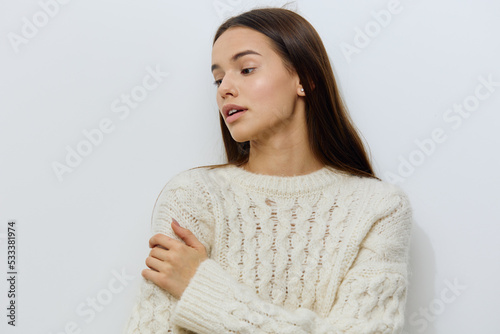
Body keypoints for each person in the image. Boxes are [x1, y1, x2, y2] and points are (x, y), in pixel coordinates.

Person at [123, 6, 413, 334]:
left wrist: (202, 290)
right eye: (218, 79)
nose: (224, 89)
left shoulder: (379, 208)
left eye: (246, 69)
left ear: (305, 79)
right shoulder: (194, 195)